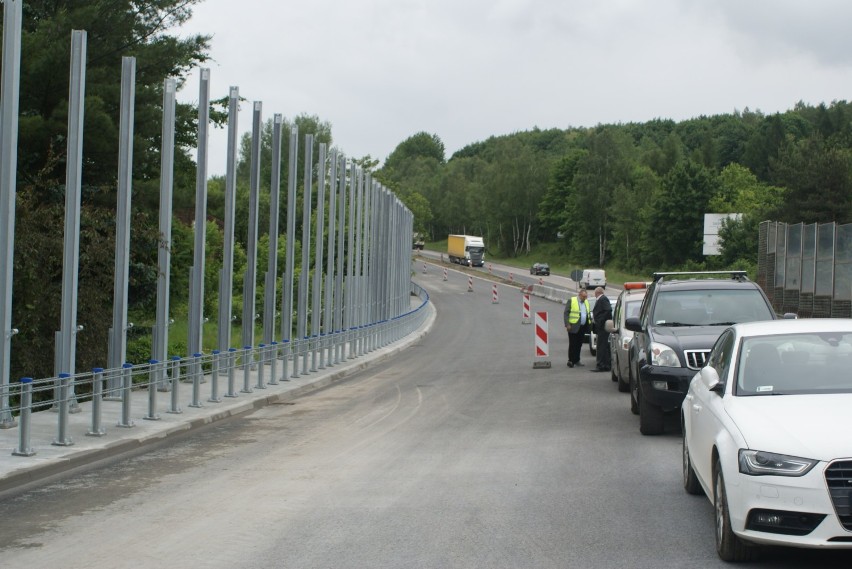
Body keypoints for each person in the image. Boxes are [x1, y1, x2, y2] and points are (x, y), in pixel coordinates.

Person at [564, 289, 591, 368]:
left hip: (582, 327)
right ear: (579, 295)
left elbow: (587, 313)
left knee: (579, 344)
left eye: (586, 296)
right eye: (583, 296)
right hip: (573, 326)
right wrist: (567, 324)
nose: (585, 298)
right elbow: (566, 313)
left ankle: (577, 360)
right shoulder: (572, 300)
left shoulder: (586, 302)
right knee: (573, 344)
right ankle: (571, 360)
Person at [591, 287, 612, 372]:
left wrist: (600, 320)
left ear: (597, 293)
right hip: (602, 327)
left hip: (603, 327)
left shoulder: (603, 299)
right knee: (604, 346)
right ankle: (606, 365)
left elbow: (608, 310)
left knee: (601, 347)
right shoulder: (602, 299)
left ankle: (601, 365)